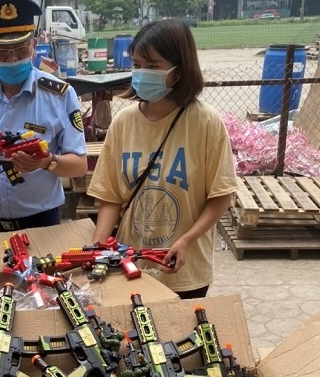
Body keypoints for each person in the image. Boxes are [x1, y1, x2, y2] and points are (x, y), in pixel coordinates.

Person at [87, 19, 238, 299]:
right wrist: (96, 249)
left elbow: (221, 196)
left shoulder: (206, 123)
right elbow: (110, 197)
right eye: (137, 64)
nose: (142, 72)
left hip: (184, 271)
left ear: (179, 70)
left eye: (153, 66)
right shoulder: (123, 123)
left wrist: (187, 240)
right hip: (129, 266)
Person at [0, 0, 87, 233]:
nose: (12, 59)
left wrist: (47, 162)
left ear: (33, 47)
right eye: (2, 52)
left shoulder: (60, 96)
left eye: (21, 50)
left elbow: (79, 166)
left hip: (42, 225)